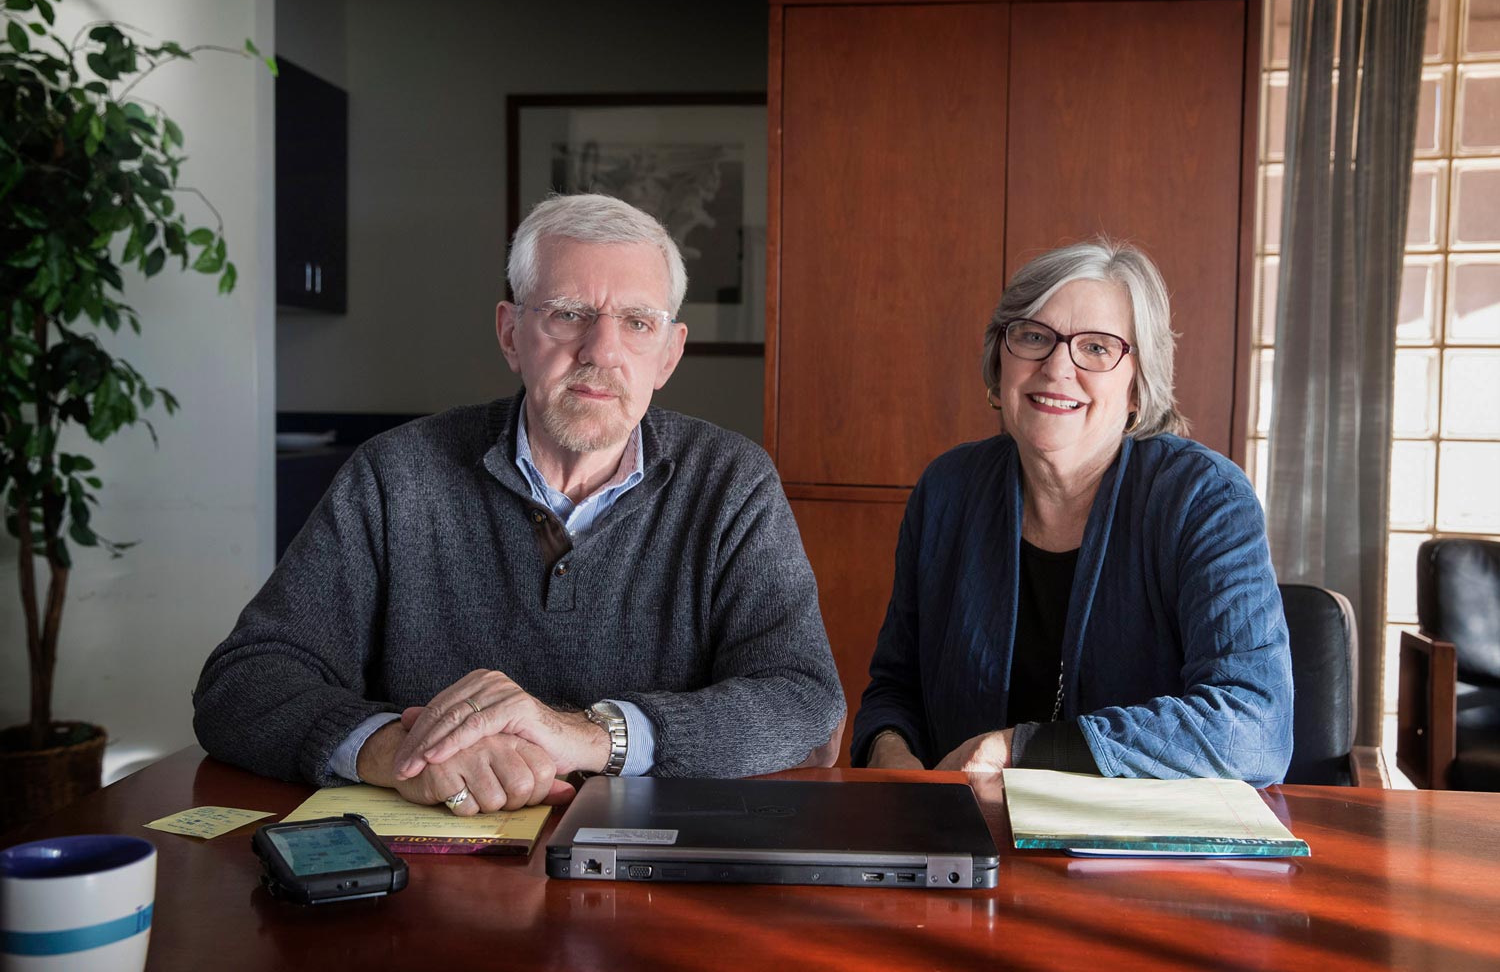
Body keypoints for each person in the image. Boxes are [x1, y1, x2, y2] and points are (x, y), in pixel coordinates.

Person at [194, 193, 844, 813]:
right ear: (511, 334)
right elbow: (244, 682)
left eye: (637, 323)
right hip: (431, 876)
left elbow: (803, 697)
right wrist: (403, 753)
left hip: (653, 880)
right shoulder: (396, 474)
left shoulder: (730, 482)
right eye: (568, 313)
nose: (602, 352)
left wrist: (588, 736)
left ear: (668, 354)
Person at [851, 239, 1293, 786]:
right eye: (1033, 336)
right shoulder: (948, 491)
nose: (1057, 366)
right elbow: (895, 687)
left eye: (1097, 348)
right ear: (1000, 361)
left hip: (1141, 856)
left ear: (1137, 387)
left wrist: (1020, 748)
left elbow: (1253, 727)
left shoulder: (1204, 499)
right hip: (963, 839)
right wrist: (889, 752)